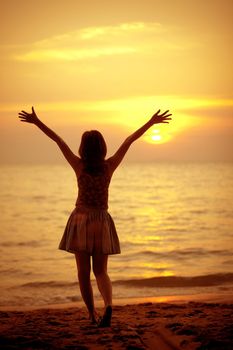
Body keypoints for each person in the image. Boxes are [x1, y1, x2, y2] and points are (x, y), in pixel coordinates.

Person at [18, 107, 172, 327]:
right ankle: (108, 304)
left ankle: (91, 315)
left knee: (83, 273)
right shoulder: (109, 166)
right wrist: (150, 122)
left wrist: (37, 121)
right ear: (102, 148)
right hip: (101, 220)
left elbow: (58, 140)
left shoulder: (78, 165)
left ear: (83, 148)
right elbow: (129, 140)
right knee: (101, 271)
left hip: (81, 220)